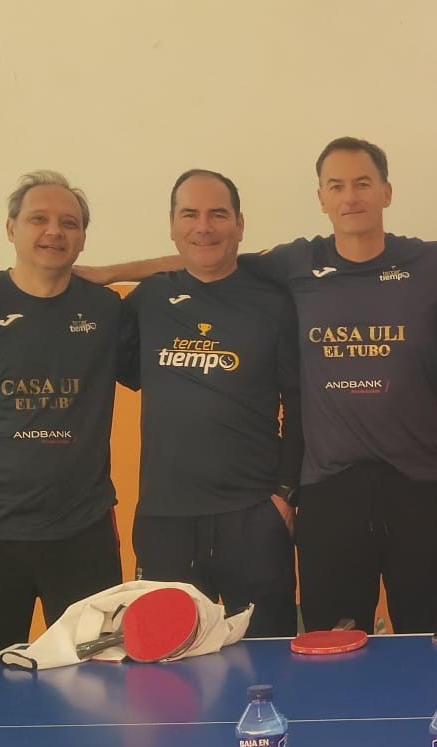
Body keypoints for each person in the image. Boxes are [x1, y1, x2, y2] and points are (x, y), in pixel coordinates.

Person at [81, 138, 437, 634]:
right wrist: (108, 273)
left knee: (429, 640)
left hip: (420, 488)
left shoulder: (430, 264)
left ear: (386, 191)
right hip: (330, 491)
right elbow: (206, 254)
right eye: (336, 185)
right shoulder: (295, 263)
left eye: (362, 183)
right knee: (333, 645)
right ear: (321, 197)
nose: (350, 196)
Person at [0, 171, 130, 670]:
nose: (54, 231)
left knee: (99, 687)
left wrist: (117, 271)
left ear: (83, 238)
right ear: (11, 228)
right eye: (39, 219)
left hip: (84, 534)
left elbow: (203, 263)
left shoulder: (106, 310)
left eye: (69, 223)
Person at [126, 169, 301, 637]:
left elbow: (300, 404)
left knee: (268, 660)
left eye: (218, 214)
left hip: (253, 517)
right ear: (172, 224)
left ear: (240, 225)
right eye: (190, 214)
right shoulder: (149, 298)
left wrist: (285, 495)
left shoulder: (276, 303)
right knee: (167, 666)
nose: (203, 227)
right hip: (164, 520)